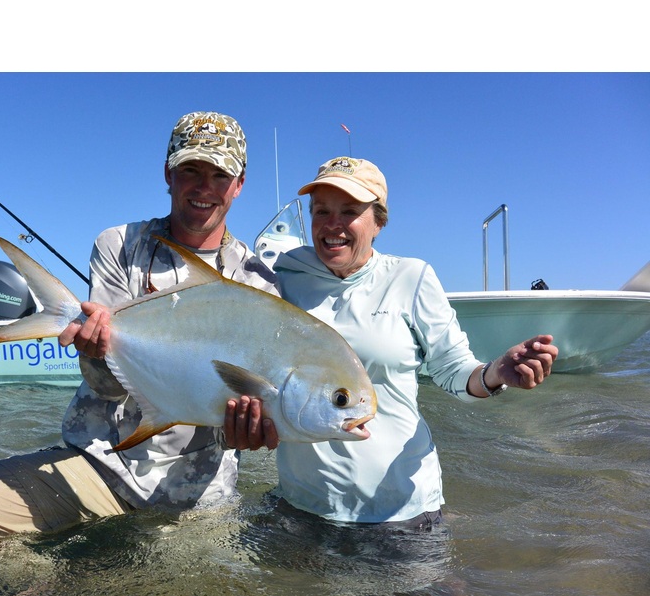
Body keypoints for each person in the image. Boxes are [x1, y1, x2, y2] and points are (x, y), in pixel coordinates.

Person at [0, 111, 277, 564]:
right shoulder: (119, 245)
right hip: (98, 466)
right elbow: (107, 386)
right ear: (168, 173)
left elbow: (253, 410)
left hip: (195, 495)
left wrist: (250, 431)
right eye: (191, 170)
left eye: (219, 174)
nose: (204, 187)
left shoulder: (257, 284)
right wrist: (100, 353)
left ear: (239, 183)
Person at [225, 156, 557, 528]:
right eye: (321, 212)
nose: (332, 225)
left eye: (349, 211)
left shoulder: (410, 277)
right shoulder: (285, 276)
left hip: (400, 511)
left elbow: (452, 371)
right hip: (301, 506)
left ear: (378, 222)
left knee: (437, 589)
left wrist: (496, 372)